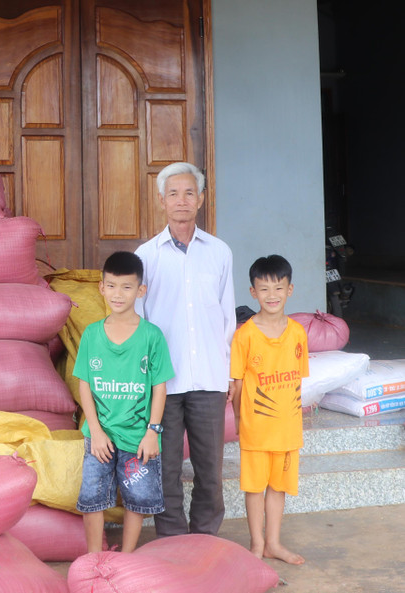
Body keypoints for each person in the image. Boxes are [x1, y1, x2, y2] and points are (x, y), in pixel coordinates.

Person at [135, 162, 236, 537]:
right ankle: (173, 541)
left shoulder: (219, 252)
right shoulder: (147, 256)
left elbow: (227, 316)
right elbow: (140, 321)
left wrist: (228, 373)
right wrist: (143, 379)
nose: (182, 200)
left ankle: (206, 537)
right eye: (173, 193)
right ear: (162, 201)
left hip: (209, 377)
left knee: (210, 468)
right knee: (167, 468)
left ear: (201, 199)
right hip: (163, 383)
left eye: (189, 193)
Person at [74, 251, 174, 553]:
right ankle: (94, 558)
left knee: (138, 497)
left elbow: (160, 388)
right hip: (100, 436)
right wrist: (96, 431)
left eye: (127, 287)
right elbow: (84, 386)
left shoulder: (151, 337)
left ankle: (127, 557)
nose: (118, 294)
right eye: (112, 286)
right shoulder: (92, 335)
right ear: (102, 288)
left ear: (140, 290)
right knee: (92, 497)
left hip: (138, 437)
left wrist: (152, 431)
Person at [229, 255, 309, 564]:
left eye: (278, 288)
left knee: (279, 488)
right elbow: (236, 385)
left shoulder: (298, 334)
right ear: (252, 292)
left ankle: (274, 542)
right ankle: (256, 543)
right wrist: (238, 420)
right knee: (255, 488)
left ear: (290, 290)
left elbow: (299, 382)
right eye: (264, 289)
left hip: (288, 431)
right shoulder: (245, 335)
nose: (271, 295)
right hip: (256, 430)